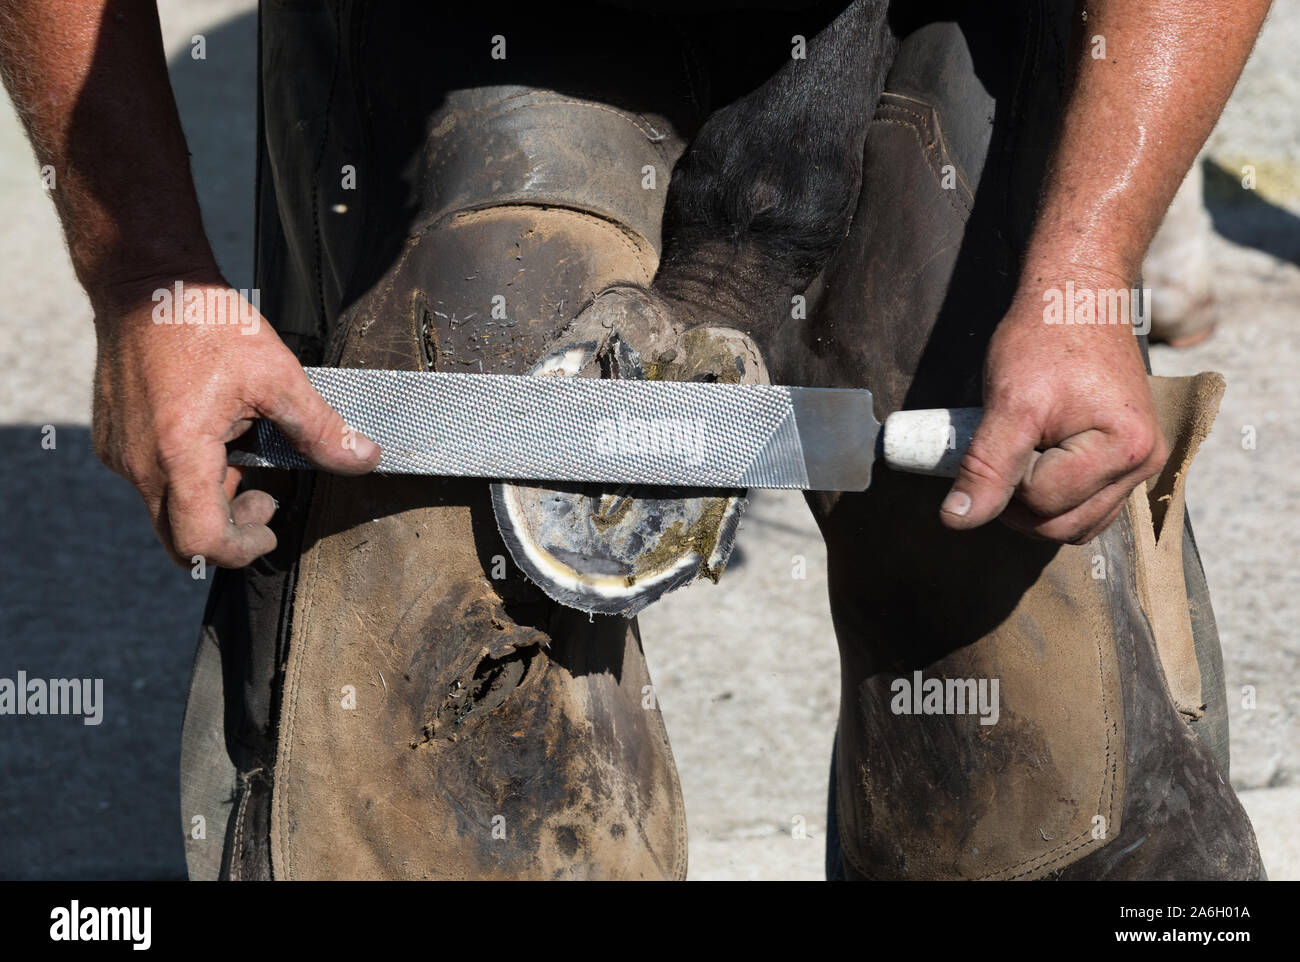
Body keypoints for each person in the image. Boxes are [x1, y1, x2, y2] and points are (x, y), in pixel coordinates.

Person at [0, 0, 1268, 879]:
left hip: (933, 23)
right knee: (438, 755)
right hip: (471, 34)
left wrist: (1084, 262)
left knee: (1044, 767)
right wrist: (149, 276)